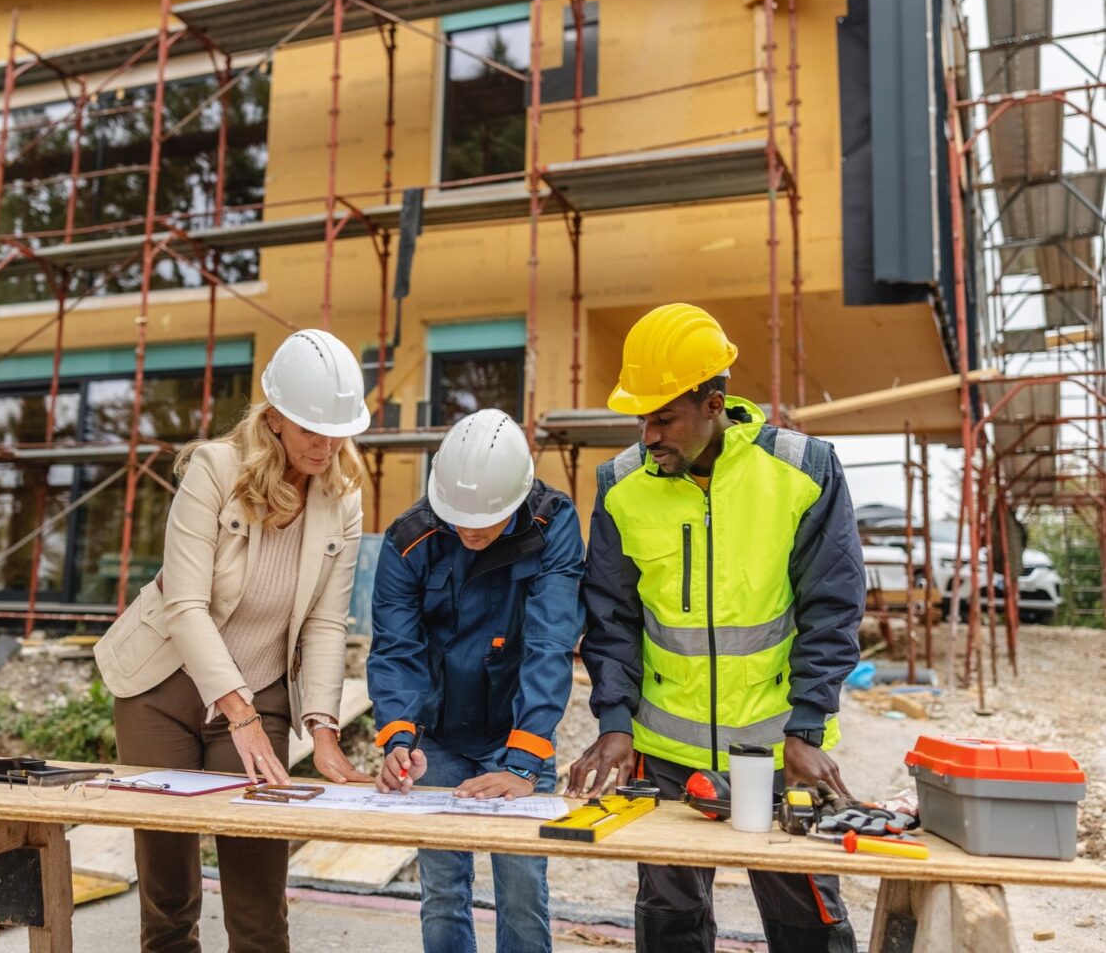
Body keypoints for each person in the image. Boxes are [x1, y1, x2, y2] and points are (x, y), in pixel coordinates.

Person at [566, 303, 865, 953]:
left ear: (714, 404)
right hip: (666, 754)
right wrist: (615, 723)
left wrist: (807, 726)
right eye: (641, 419)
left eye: (663, 418)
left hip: (777, 750)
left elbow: (833, 608)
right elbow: (611, 620)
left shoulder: (803, 471)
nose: (648, 435)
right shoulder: (621, 486)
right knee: (669, 922)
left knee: (806, 920)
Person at [95, 328, 374, 953]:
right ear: (275, 417)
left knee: (257, 887)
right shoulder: (215, 470)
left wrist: (324, 730)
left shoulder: (343, 497)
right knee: (167, 889)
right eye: (311, 430)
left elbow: (327, 623)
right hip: (162, 687)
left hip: (262, 688)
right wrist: (237, 713)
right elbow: (185, 604)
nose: (326, 445)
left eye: (338, 431)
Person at [367, 409, 585, 953]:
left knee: (522, 890)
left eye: (485, 520)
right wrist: (398, 737)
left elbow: (550, 641)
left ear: (518, 494)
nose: (470, 531)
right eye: (459, 518)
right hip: (437, 734)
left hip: (517, 728)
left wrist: (524, 760)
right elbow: (396, 648)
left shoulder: (552, 523)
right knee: (442, 890)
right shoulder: (409, 538)